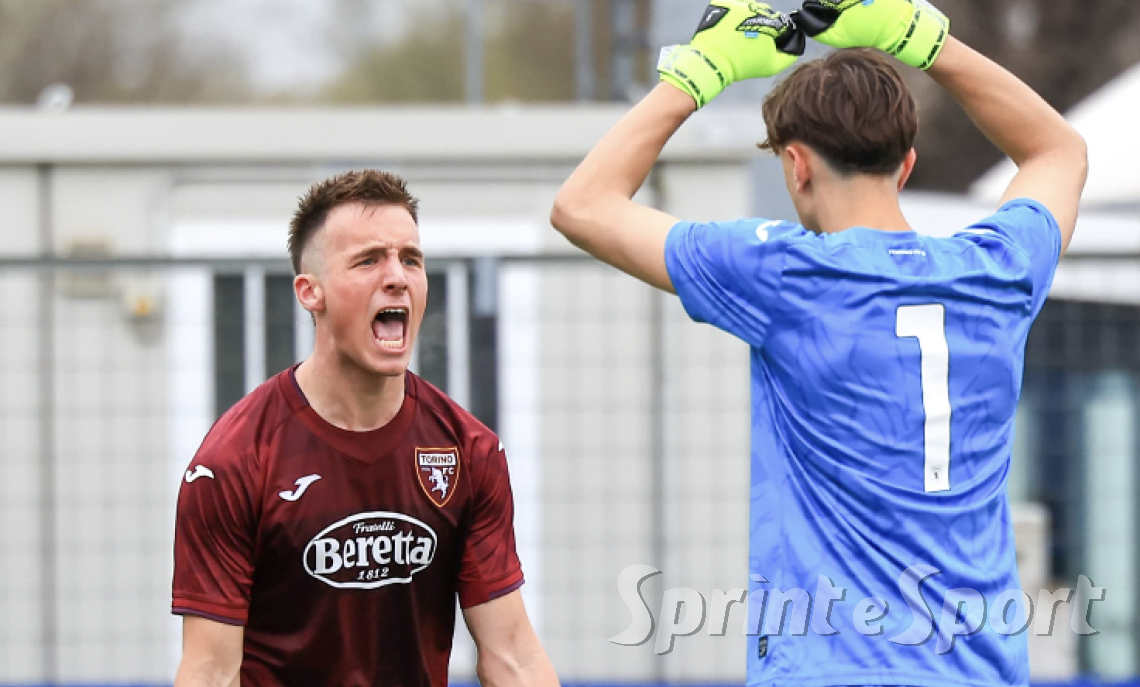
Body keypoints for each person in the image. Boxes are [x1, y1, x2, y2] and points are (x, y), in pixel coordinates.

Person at [551, 0, 1086, 684]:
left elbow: (583, 204)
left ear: (796, 166)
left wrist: (697, 75)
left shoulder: (785, 273)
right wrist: (923, 38)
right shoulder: (1000, 270)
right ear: (908, 162)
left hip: (833, 666)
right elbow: (1059, 149)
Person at [172, 170, 559, 686]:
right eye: (368, 260)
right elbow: (211, 672)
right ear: (311, 292)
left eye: (411, 259)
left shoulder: (467, 450)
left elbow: (512, 655)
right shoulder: (234, 462)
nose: (397, 276)